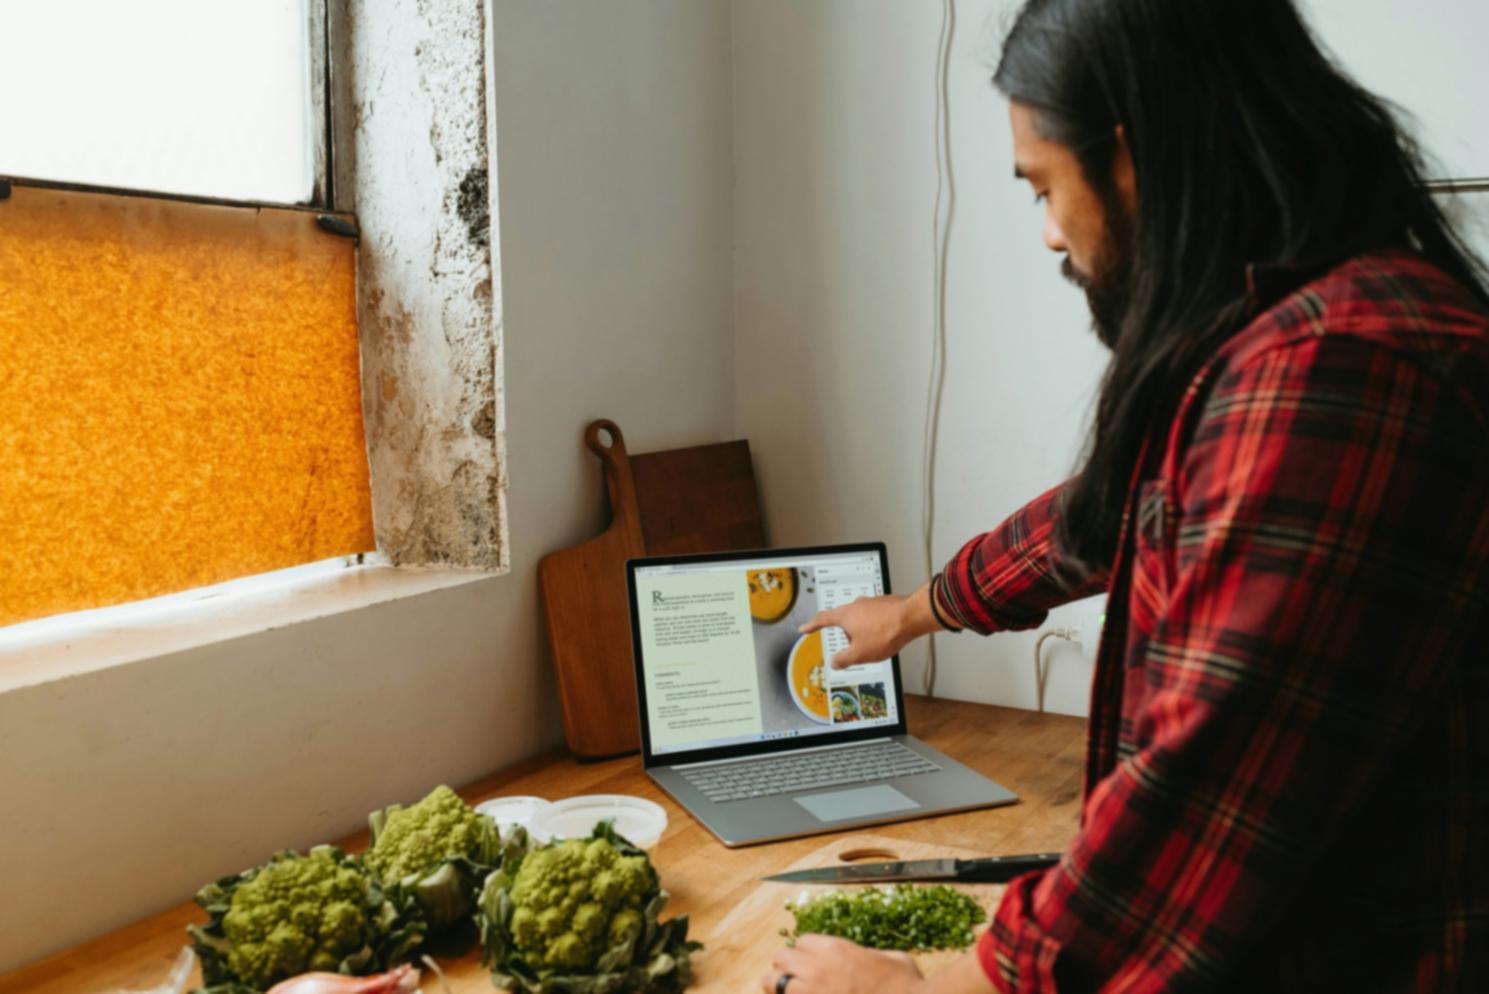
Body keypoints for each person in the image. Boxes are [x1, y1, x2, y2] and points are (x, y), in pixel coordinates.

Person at [760, 0, 1489, 991]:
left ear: (1134, 156)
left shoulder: (1334, 370)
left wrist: (926, 981)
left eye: (1045, 189)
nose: (1052, 235)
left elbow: (1204, 796)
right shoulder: (1290, 336)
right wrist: (919, 608)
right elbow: (1112, 511)